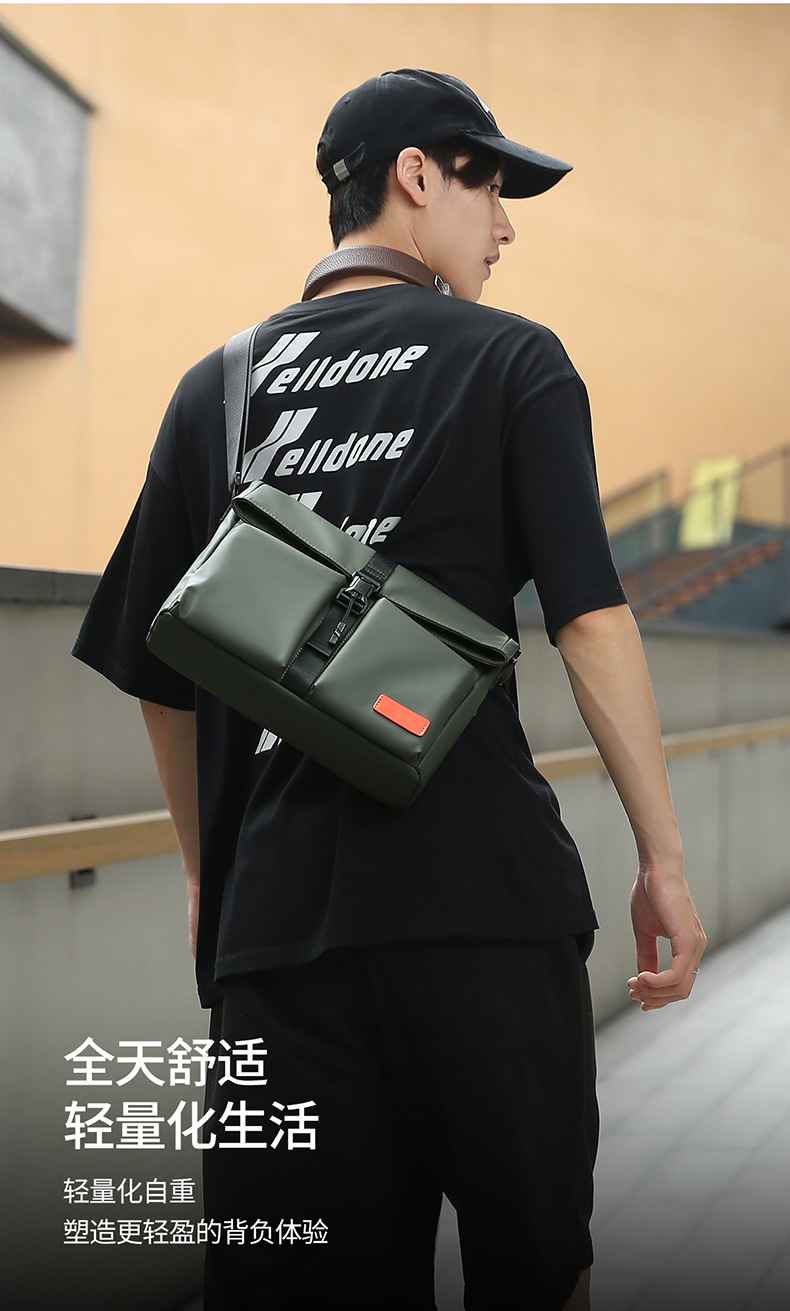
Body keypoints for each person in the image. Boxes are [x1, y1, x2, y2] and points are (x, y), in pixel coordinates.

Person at [73, 69, 706, 1311]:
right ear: (415, 176)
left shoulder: (215, 391)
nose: (505, 226)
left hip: (279, 943)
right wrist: (662, 862)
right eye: (489, 188)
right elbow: (588, 620)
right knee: (537, 1273)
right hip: (484, 909)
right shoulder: (513, 361)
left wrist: (208, 876)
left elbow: (161, 670)